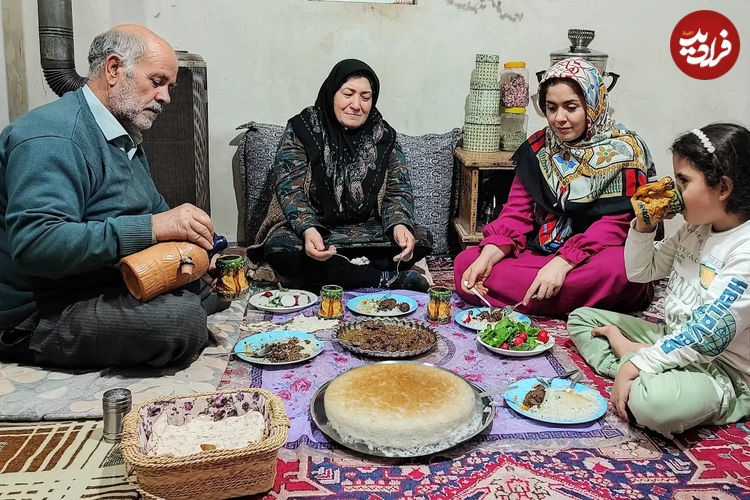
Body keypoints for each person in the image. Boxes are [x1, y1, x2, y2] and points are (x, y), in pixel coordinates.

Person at [0, 25, 227, 370]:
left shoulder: (124, 136)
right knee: (179, 322)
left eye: (170, 86)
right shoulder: (52, 136)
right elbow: (37, 243)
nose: (166, 97)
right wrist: (152, 228)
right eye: (157, 81)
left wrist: (192, 250)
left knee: (209, 286)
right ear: (114, 69)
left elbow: (155, 214)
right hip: (42, 309)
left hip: (100, 280)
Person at [568, 123, 750, 438]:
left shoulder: (744, 251)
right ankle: (641, 356)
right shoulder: (696, 228)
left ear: (722, 188)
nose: (673, 190)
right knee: (582, 318)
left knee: (652, 404)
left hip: (724, 368)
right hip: (674, 336)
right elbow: (641, 271)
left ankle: (638, 362)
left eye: (683, 181)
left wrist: (634, 363)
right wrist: (642, 226)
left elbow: (706, 336)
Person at [455, 58, 654, 317]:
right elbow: (516, 214)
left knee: (622, 270)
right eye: (551, 108)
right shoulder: (539, 148)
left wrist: (564, 262)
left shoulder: (625, 152)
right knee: (466, 264)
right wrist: (489, 256)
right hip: (542, 252)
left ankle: (539, 297)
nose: (560, 118)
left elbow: (616, 226)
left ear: (593, 105)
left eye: (571, 107)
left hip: (592, 256)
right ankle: (568, 302)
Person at [249, 59, 432, 291]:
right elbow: (290, 189)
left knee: (421, 240)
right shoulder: (302, 129)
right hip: (316, 231)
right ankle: (383, 278)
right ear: (332, 93)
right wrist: (308, 229)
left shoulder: (383, 135)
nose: (356, 105)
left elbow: (398, 189)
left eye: (365, 97)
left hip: (367, 231)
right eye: (348, 94)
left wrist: (399, 225)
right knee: (279, 249)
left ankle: (331, 275)